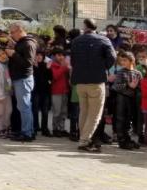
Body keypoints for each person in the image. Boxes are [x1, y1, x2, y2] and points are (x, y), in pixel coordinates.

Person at [70, 18, 116, 153]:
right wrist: (103, 67)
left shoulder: (76, 41)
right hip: (96, 80)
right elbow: (112, 57)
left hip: (79, 81)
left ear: (84, 27)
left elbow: (73, 60)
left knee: (84, 111)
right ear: (96, 27)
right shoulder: (103, 40)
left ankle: (82, 137)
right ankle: (85, 141)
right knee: (94, 114)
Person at [49, 48, 71, 137]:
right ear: (54, 56)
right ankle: (55, 129)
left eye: (62, 55)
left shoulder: (65, 65)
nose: (61, 57)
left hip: (65, 91)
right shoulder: (52, 65)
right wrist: (63, 67)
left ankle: (61, 128)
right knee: (57, 111)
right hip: (56, 91)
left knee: (63, 111)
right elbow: (55, 76)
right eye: (58, 55)